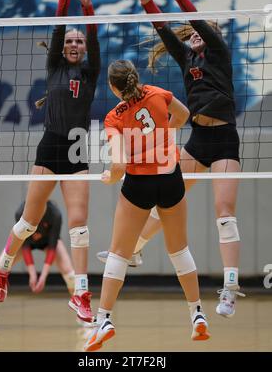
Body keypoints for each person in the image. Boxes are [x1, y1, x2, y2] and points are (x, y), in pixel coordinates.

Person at [98, 0, 245, 318]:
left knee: (224, 215)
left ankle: (229, 288)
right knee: (165, 197)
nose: (196, 36)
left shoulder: (219, 54)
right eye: (195, 34)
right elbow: (164, 30)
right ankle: (134, 250)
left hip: (224, 139)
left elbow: (195, 20)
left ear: (211, 36)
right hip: (198, 140)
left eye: (203, 32)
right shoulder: (186, 59)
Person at [0, 0, 100, 323]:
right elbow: (56, 27)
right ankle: (2, 268)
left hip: (78, 146)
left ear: (84, 49)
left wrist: (87, 5)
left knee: (80, 225)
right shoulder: (54, 65)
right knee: (29, 223)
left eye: (78, 41)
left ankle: (81, 294)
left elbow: (93, 35)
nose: (73, 43)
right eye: (69, 40)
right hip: (51, 144)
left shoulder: (91, 70)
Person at [84, 59, 210, 352]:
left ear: (115, 89)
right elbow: (184, 115)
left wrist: (108, 177)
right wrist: (163, 133)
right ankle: (197, 314)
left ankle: (104, 320)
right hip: (170, 177)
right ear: (136, 77)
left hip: (139, 184)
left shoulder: (114, 118)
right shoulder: (158, 93)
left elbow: (119, 164)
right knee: (179, 250)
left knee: (118, 253)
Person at [0, 200, 75, 328]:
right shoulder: (21, 211)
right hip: (25, 243)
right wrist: (32, 274)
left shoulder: (55, 214)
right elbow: (25, 244)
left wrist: (43, 277)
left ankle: (80, 313)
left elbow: (53, 246)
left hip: (48, 243)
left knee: (71, 275)